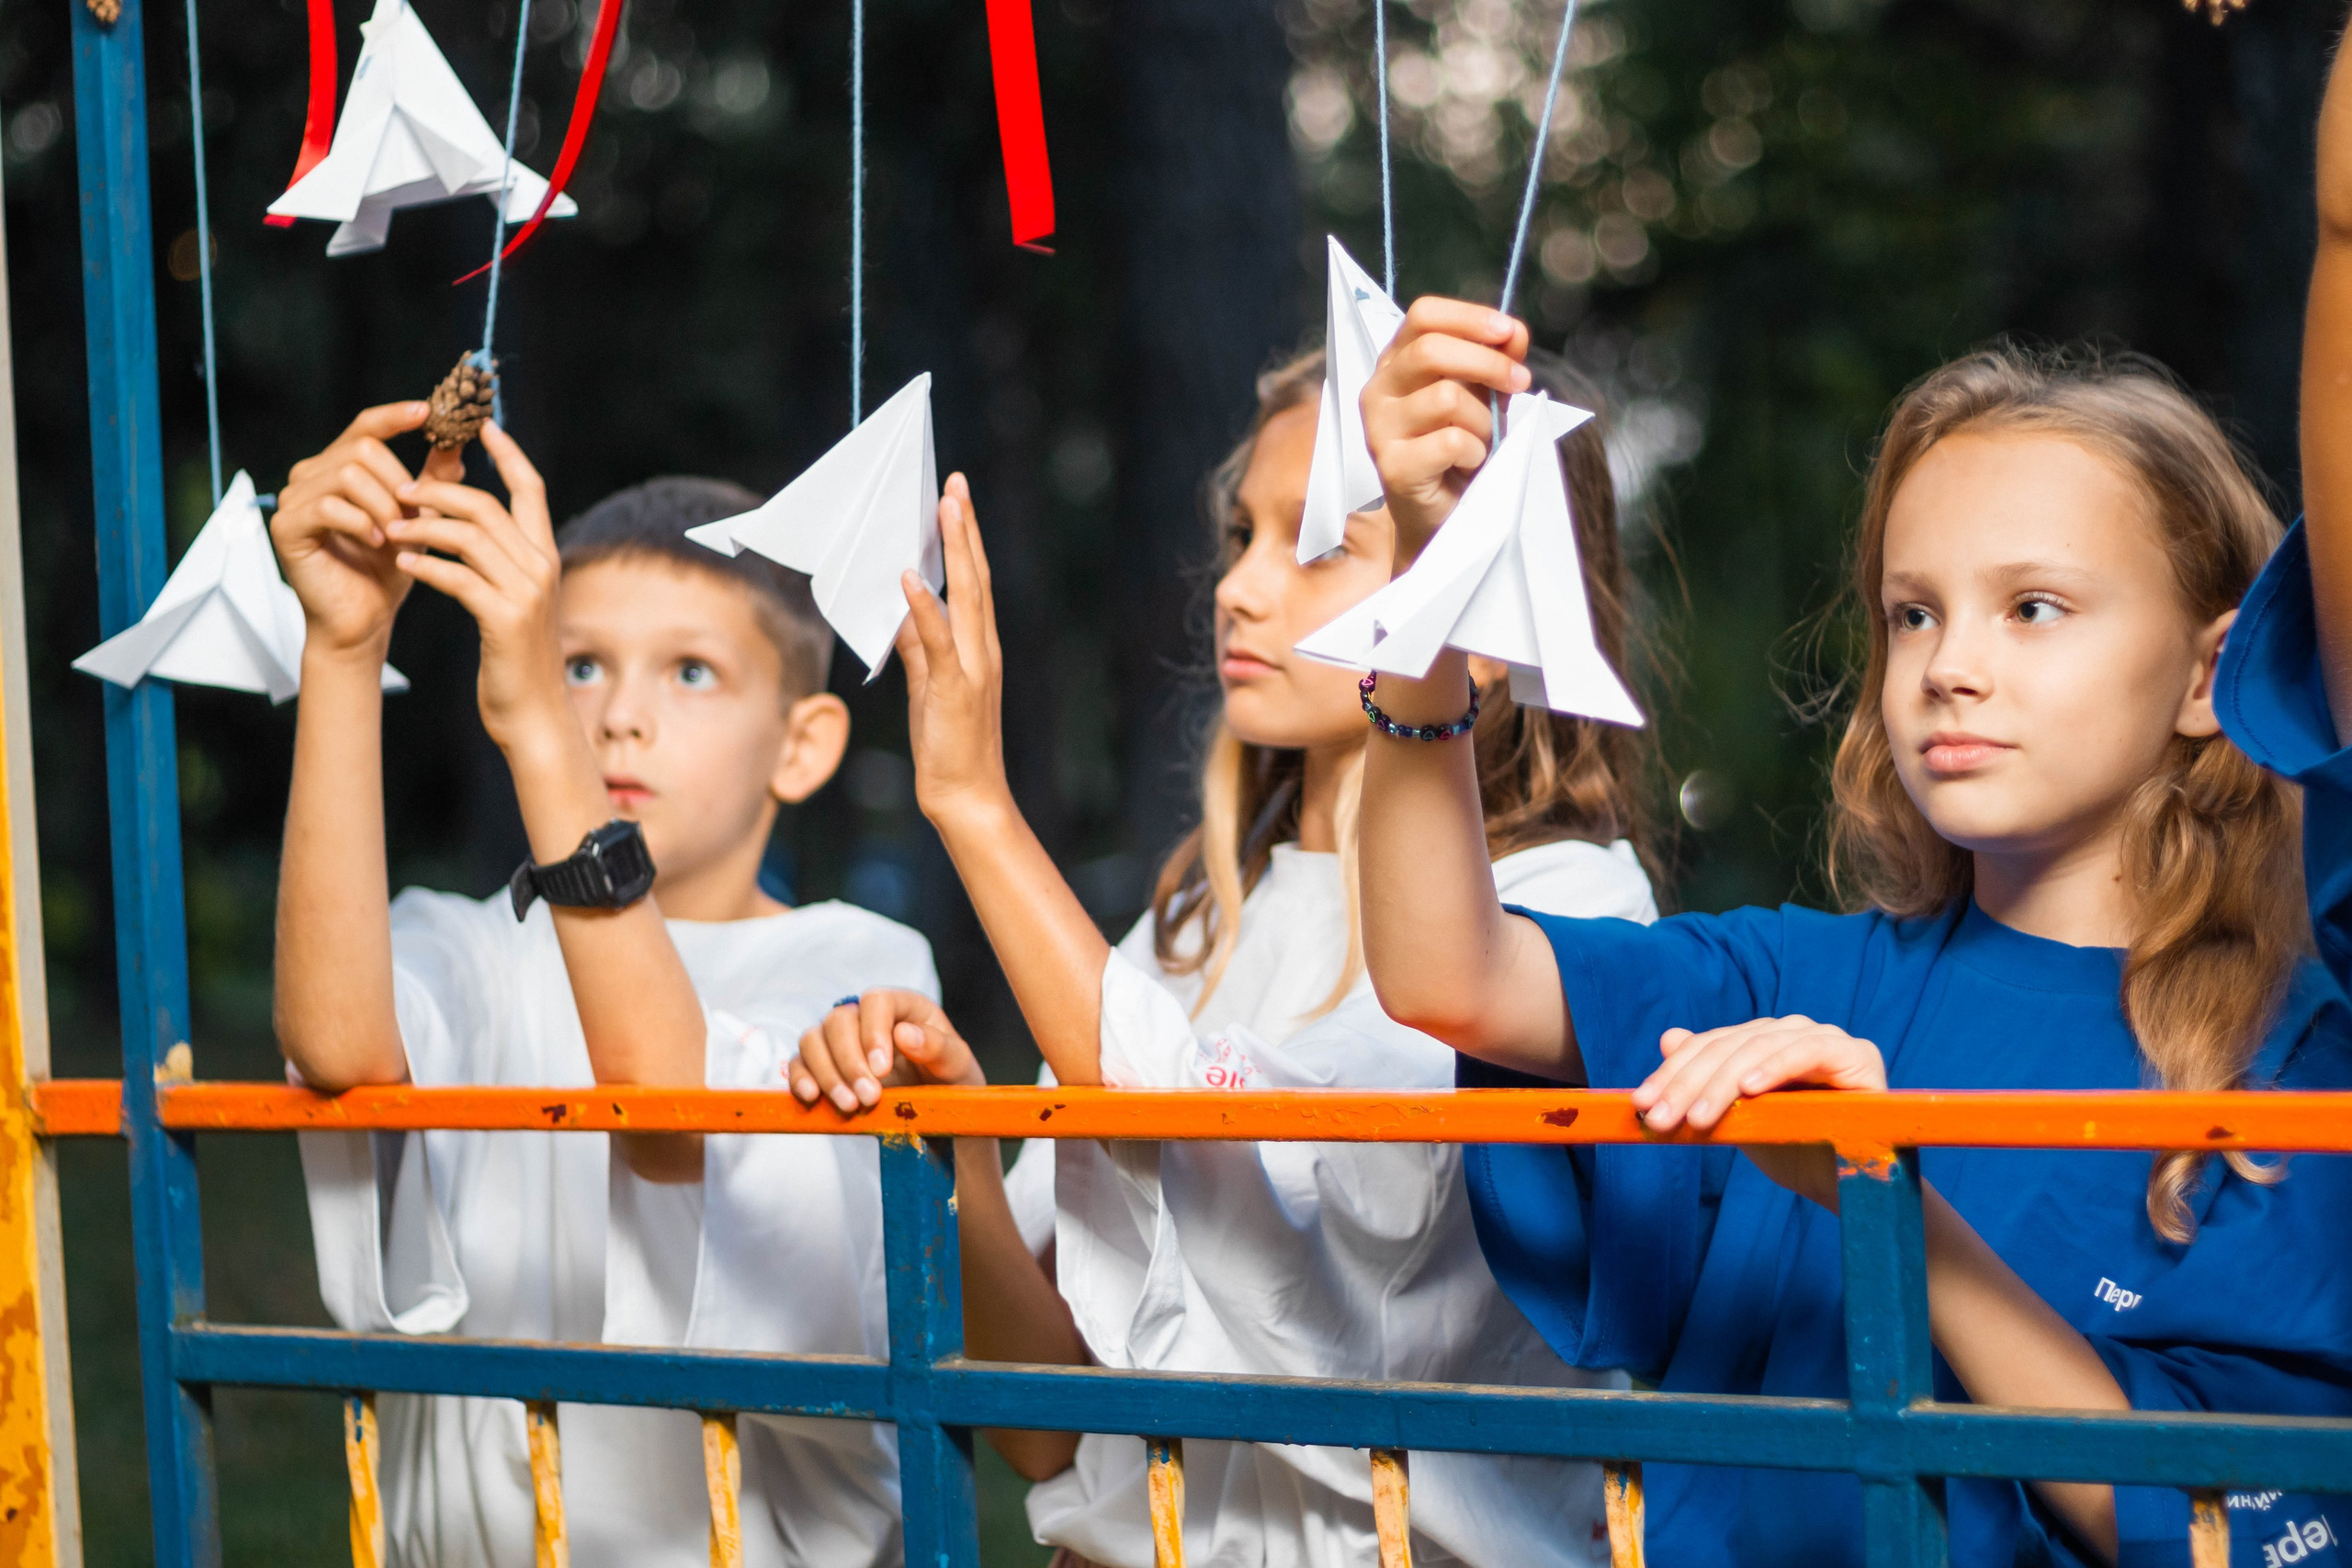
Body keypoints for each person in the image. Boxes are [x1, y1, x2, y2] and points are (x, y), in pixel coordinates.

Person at [1352, 302, 2352, 1568]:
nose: (1949, 665)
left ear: (2209, 676)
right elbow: (1450, 972)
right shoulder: (1798, 983)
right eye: (1912, 613)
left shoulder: (2292, 1060)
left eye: (2034, 607)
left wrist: (1883, 1190)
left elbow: (2217, 1519)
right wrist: (1424, 595)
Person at [793, 345, 1659, 1566]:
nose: (1241, 589)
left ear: (1479, 585)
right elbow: (1048, 1438)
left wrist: (977, 807)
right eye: (1241, 533)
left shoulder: (1564, 910)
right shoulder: (1200, 920)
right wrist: (965, 1150)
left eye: (1313, 545)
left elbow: (1216, 1135)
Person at [270, 405, 937, 1568]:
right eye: (577, 664)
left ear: (805, 744)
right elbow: (339, 1052)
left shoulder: (854, 967)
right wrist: (343, 650)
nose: (620, 714)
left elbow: (667, 1113)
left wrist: (545, 727)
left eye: (690, 671)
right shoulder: (467, 942)